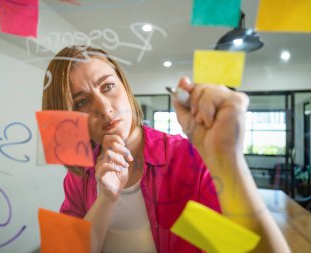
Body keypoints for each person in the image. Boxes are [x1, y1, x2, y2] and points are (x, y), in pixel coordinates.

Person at [42, 45, 290, 253]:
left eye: (107, 86)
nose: (105, 108)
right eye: (83, 101)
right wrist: (105, 199)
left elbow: (242, 247)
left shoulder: (184, 158)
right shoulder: (81, 174)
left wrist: (228, 159)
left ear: (125, 87)